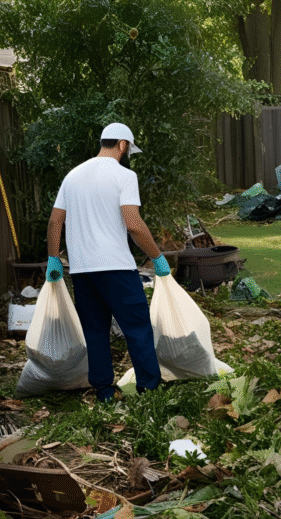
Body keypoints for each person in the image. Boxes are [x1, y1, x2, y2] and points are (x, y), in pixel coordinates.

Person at [45, 123, 171, 402]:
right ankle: (149, 390)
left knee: (95, 331)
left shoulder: (73, 176)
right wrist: (157, 257)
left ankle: (104, 391)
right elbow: (134, 225)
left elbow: (55, 221)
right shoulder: (124, 176)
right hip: (116, 268)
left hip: (82, 270)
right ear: (123, 145)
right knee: (137, 328)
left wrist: (54, 257)